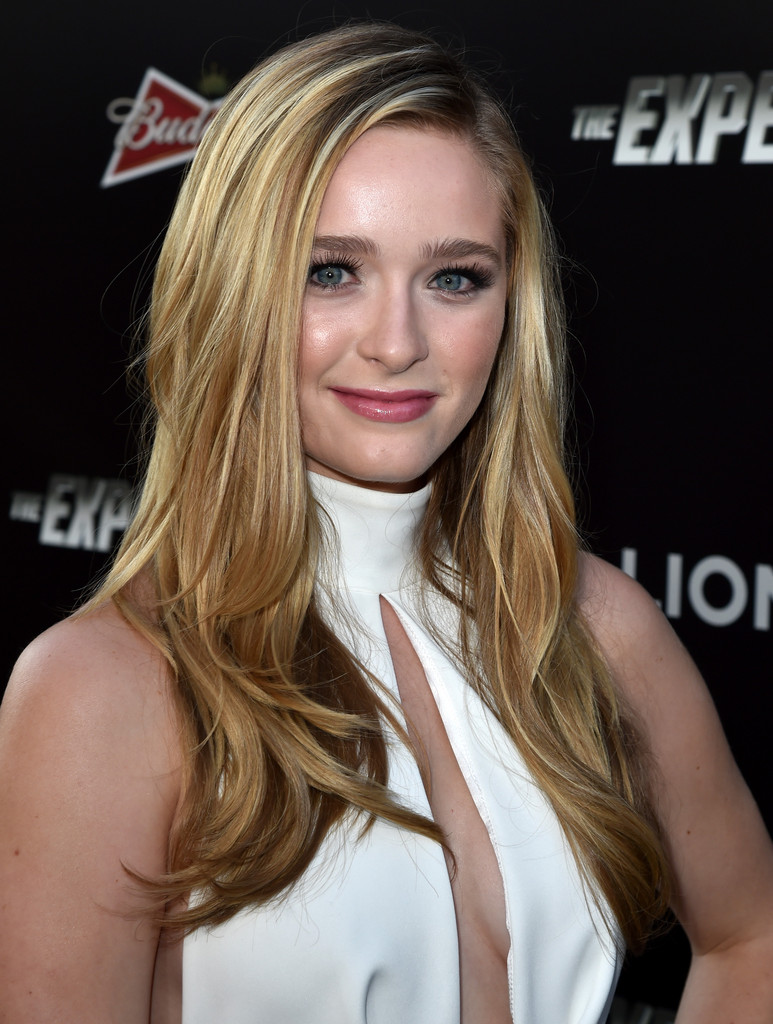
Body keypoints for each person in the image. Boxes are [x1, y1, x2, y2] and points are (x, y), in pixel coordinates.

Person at [1, 22, 772, 1024]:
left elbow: (750, 935)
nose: (397, 341)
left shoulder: (593, 625)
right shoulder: (104, 690)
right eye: (331, 271)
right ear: (232, 289)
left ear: (510, 305)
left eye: (454, 278)